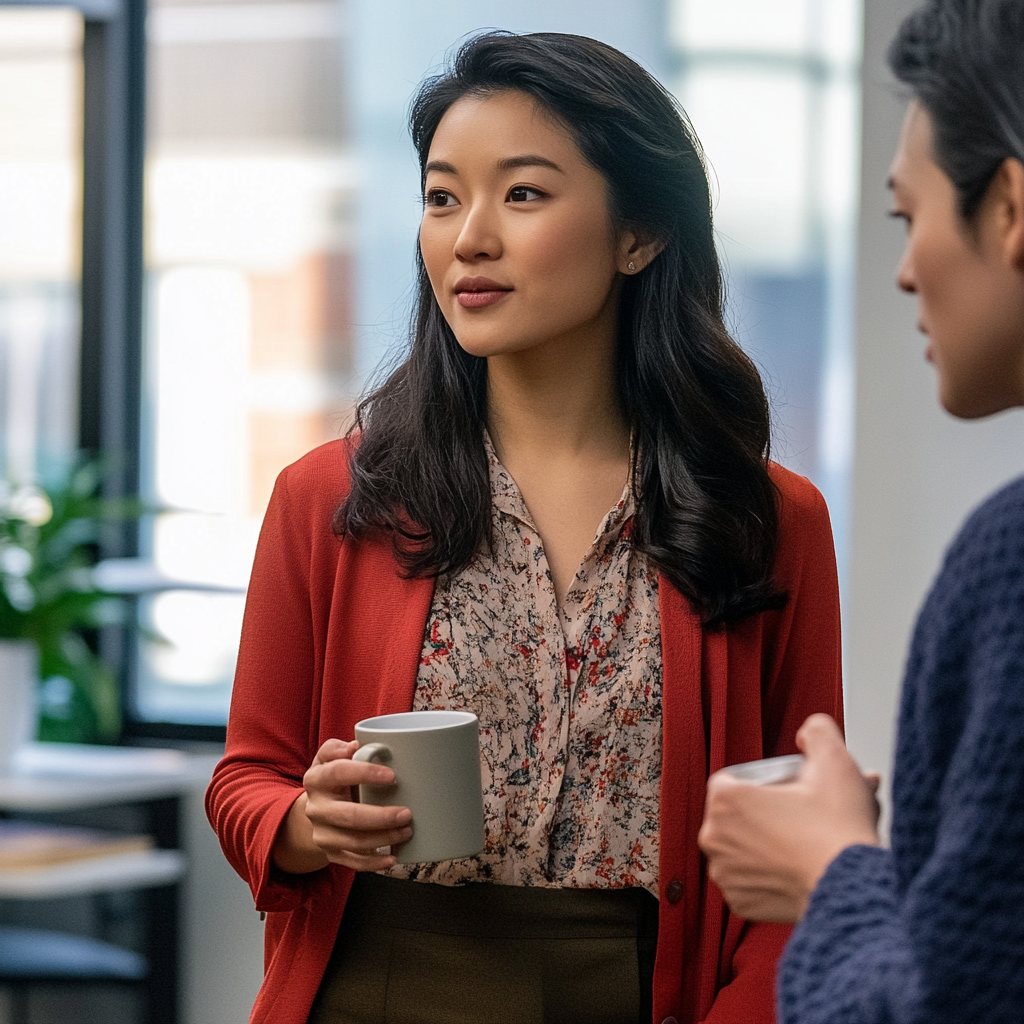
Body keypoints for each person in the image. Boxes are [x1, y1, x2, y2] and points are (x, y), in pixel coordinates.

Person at [206, 30, 843, 1024]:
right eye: (442, 195)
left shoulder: (767, 520)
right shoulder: (331, 498)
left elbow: (803, 843)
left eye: (525, 193)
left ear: (639, 234)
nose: (469, 237)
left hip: (642, 988)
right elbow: (247, 777)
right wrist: (304, 821)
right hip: (378, 982)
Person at [698, 2, 1024, 1022]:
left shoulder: (1005, 561)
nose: (902, 267)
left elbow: (952, 998)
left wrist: (831, 865)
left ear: (1009, 211)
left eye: (905, 213)